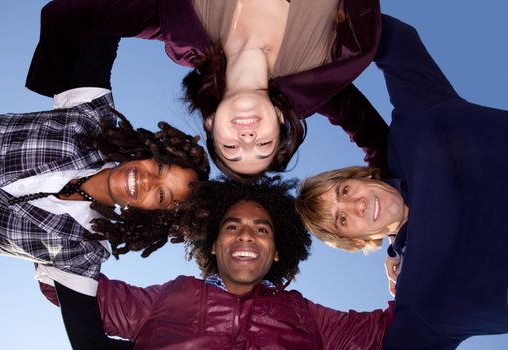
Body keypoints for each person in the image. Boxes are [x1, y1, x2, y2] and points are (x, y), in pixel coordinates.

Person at [0, 25, 209, 349]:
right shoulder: (92, 118)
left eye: (161, 195)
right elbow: (103, 24)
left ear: (152, 215)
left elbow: (90, 344)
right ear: (151, 154)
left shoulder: (82, 253)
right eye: (159, 167)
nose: (147, 180)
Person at [296, 15, 508, 349]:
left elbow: (392, 39)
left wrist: (286, 47)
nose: (357, 205)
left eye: (345, 191)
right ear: (357, 241)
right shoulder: (420, 300)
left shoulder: (413, 126)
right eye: (343, 218)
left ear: (360, 177)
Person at [26, 0, 390, 179]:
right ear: (279, 120)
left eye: (232, 147)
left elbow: (64, 16)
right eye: (263, 144)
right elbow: (380, 144)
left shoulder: (178, 27)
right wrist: (399, 233)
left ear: (213, 124)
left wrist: (66, 124)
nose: (247, 137)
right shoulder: (316, 70)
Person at [41, 176, 394, 349]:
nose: (246, 236)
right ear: (212, 246)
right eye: (232, 226)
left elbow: (393, 336)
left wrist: (401, 259)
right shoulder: (168, 299)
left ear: (276, 251)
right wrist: (87, 198)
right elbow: (61, 283)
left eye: (261, 229)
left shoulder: (309, 318)